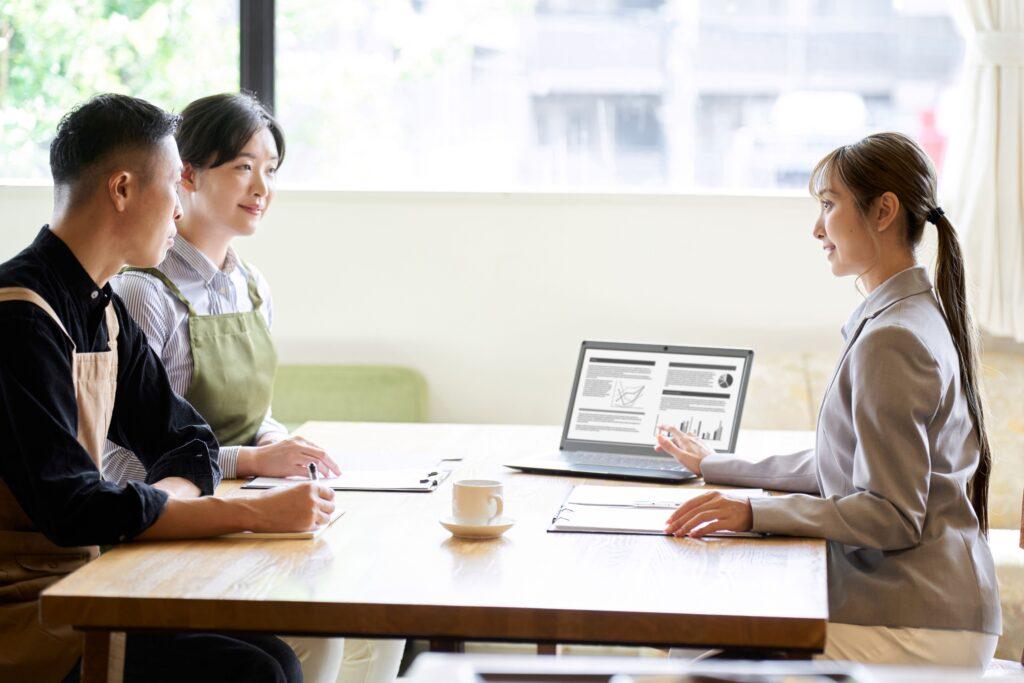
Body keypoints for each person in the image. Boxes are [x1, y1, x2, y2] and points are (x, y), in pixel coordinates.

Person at [0, 93, 336, 683]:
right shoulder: (19, 315)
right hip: (25, 612)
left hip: (90, 585)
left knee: (276, 658)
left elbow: (190, 443)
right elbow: (74, 506)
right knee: (250, 672)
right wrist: (247, 515)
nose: (179, 214)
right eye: (171, 191)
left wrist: (175, 502)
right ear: (123, 189)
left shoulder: (101, 307)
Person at [656, 132, 1001, 669]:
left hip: (920, 624)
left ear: (883, 210)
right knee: (692, 638)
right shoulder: (899, 319)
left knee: (695, 652)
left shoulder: (895, 338)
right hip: (919, 607)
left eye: (828, 204)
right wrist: (722, 466)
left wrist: (752, 513)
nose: (817, 228)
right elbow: (846, 467)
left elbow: (890, 515)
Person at [102, 92, 405, 683]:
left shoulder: (253, 285)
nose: (261, 187)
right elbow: (120, 464)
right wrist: (256, 459)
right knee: (320, 631)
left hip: (250, 502)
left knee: (384, 612)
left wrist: (287, 451)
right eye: (242, 166)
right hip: (180, 524)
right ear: (185, 174)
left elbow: (257, 414)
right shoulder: (142, 294)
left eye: (269, 169)